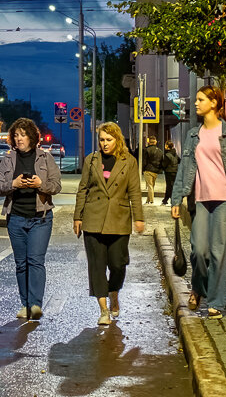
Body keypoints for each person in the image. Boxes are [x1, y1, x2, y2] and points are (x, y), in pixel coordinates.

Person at [169, 85, 226, 319]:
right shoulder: (192, 135)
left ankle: (216, 302)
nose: (196, 103)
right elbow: (184, 169)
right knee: (199, 251)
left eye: (200, 100)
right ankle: (199, 288)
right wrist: (176, 198)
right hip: (200, 200)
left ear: (214, 103)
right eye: (196, 99)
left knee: (220, 253)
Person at [73, 122, 145, 325]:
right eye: (102, 140)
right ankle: (103, 309)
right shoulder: (91, 160)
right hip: (93, 218)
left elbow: (135, 193)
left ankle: (114, 292)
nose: (104, 144)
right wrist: (77, 217)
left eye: (109, 140)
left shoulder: (128, 161)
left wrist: (138, 218)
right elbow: (83, 189)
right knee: (96, 266)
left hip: (119, 219)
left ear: (117, 140)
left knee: (118, 263)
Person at [0, 118, 62, 322]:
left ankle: (36, 304)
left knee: (35, 261)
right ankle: (25, 304)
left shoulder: (45, 158)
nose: (19, 138)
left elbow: (56, 185)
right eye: (16, 135)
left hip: (40, 219)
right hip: (15, 218)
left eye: (23, 135)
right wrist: (13, 183)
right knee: (21, 264)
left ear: (32, 136)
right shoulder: (8, 159)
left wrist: (40, 184)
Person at [141, 136, 163, 204]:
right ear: (155, 142)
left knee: (150, 186)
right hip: (156, 171)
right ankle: (148, 200)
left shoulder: (146, 150)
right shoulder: (160, 151)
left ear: (149, 142)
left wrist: (142, 169)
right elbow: (161, 161)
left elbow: (144, 161)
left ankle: (151, 200)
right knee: (152, 186)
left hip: (148, 169)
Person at [161, 141, 181, 206]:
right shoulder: (175, 153)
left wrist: (162, 167)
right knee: (172, 186)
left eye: (165, 145)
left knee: (169, 186)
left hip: (169, 172)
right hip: (175, 171)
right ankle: (167, 199)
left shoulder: (167, 155)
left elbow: (164, 164)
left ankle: (168, 199)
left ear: (167, 146)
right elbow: (179, 160)